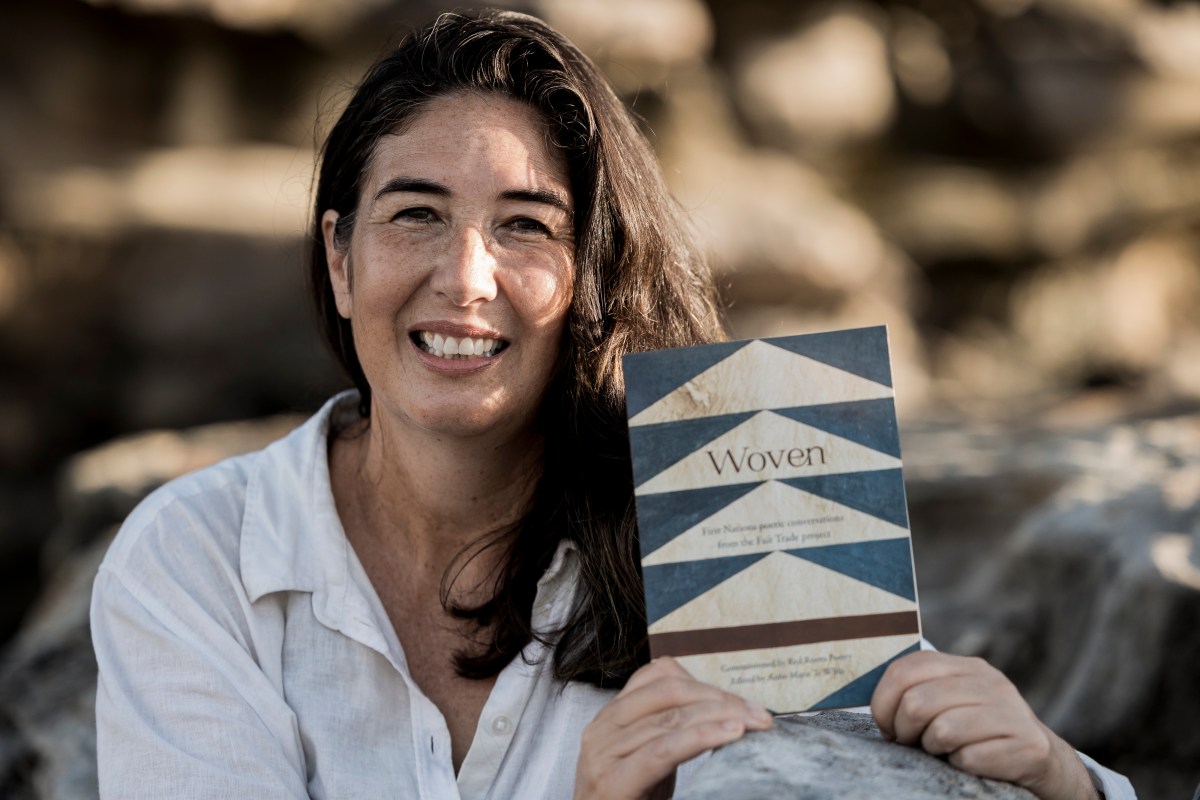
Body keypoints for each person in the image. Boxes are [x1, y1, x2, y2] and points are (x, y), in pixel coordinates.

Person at [90, 9, 1134, 800]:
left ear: (594, 277)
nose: (466, 276)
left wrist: (1055, 778)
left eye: (526, 226)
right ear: (340, 258)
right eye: (416, 213)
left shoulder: (715, 519)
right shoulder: (198, 556)